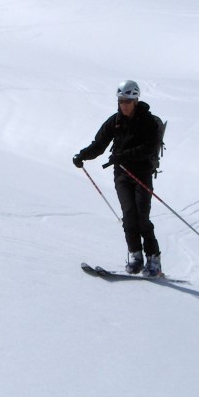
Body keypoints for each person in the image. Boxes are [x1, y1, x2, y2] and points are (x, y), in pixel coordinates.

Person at [73, 80, 162, 276]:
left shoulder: (147, 122)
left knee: (142, 217)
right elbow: (99, 144)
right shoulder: (115, 121)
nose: (123, 105)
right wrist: (82, 156)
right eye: (121, 101)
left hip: (141, 174)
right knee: (129, 215)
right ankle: (135, 256)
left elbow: (149, 147)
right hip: (121, 174)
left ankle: (153, 259)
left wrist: (124, 155)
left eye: (127, 101)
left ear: (135, 101)